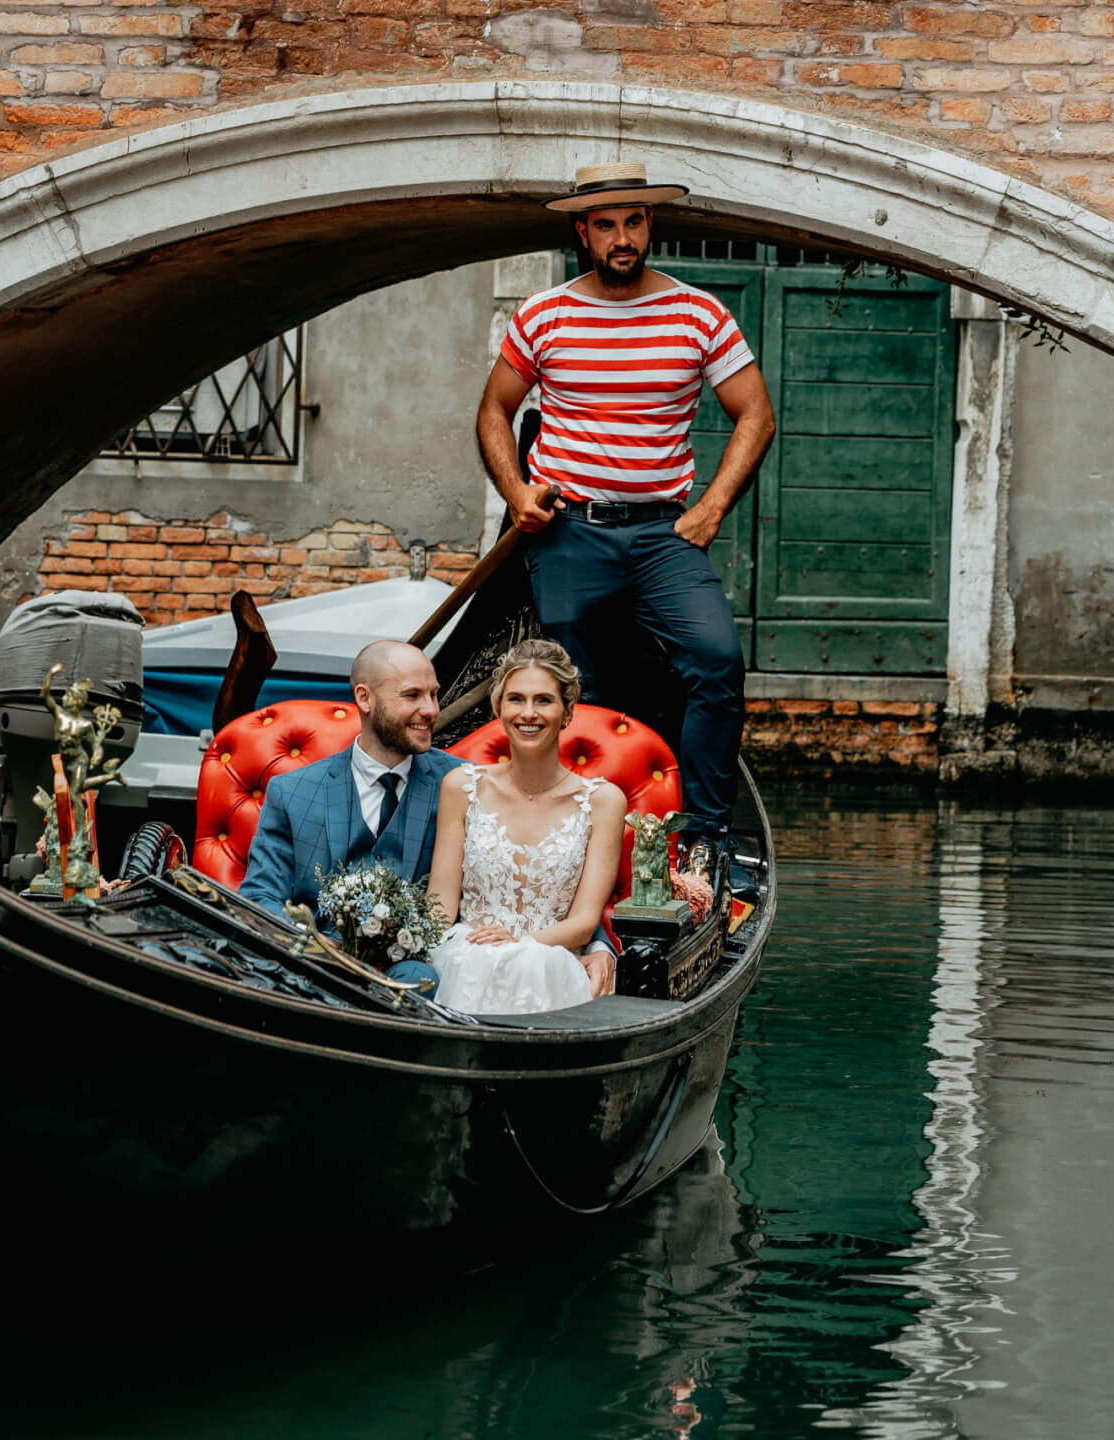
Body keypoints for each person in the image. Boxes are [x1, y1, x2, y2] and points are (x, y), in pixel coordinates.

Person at [474, 161, 775, 891]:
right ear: (583, 232)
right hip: (570, 534)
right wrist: (515, 491)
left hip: (663, 536)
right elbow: (494, 411)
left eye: (633, 222)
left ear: (649, 225)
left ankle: (706, 839)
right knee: (582, 692)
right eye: (606, 225)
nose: (622, 238)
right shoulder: (545, 315)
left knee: (717, 660)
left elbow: (755, 414)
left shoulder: (698, 314)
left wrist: (710, 509)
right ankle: (588, 843)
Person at [426, 639, 630, 1014]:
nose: (529, 713)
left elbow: (585, 922)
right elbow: (439, 908)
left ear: (567, 712)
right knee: (474, 961)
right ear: (498, 708)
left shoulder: (603, 802)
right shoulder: (461, 787)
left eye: (544, 700)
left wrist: (518, 945)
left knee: (532, 963)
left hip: (551, 961)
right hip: (468, 957)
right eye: (516, 699)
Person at [238, 639, 464, 916]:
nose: (431, 710)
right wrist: (307, 937)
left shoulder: (464, 784)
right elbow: (260, 897)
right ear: (364, 698)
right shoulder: (290, 793)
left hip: (424, 944)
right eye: (412, 695)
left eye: (434, 694)